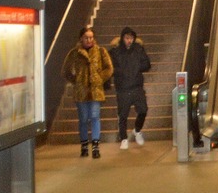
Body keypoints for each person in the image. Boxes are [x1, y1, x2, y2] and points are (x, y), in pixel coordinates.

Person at [62, 27, 113, 159]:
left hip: (96, 90)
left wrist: (99, 78)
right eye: (86, 37)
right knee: (83, 119)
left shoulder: (101, 51)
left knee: (95, 116)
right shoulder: (74, 53)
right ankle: (84, 144)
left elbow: (109, 68)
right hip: (81, 92)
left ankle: (95, 145)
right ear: (81, 38)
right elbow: (66, 70)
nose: (89, 40)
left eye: (91, 37)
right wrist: (77, 80)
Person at [109, 26, 152, 149]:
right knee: (123, 115)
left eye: (131, 38)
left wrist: (137, 67)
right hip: (122, 88)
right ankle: (123, 138)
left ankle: (137, 130)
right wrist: (120, 72)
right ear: (122, 38)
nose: (129, 40)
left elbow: (147, 64)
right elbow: (109, 67)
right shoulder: (115, 52)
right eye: (127, 38)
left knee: (143, 110)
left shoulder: (138, 49)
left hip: (137, 86)